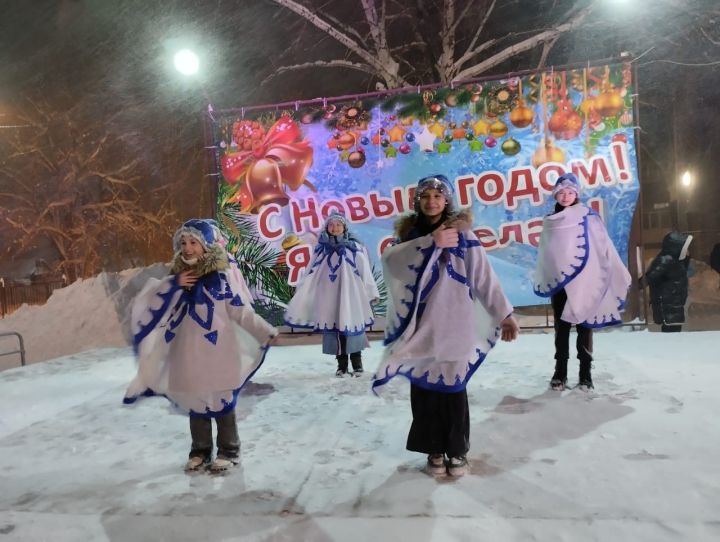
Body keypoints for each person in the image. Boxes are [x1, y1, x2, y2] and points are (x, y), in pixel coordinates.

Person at [372, 174, 519, 477]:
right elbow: (393, 264)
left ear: (447, 200)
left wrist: (504, 314)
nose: (431, 202)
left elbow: (483, 277)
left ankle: (457, 451)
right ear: (417, 201)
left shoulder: (464, 236)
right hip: (420, 325)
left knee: (453, 389)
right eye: (425, 197)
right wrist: (430, 243)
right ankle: (433, 449)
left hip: (454, 322)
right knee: (424, 388)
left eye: (437, 197)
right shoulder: (410, 235)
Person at [124, 219, 278, 473]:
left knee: (221, 401)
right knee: (196, 400)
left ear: (206, 246)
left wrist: (265, 331)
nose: (188, 248)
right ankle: (200, 450)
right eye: (183, 243)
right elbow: (150, 302)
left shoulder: (221, 279)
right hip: (188, 353)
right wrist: (175, 284)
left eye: (194, 242)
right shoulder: (176, 280)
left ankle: (229, 450)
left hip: (219, 353)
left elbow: (240, 312)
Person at [533, 173, 632, 391]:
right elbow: (546, 252)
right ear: (556, 194)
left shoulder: (589, 216)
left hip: (585, 281)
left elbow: (601, 245)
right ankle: (560, 373)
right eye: (561, 192)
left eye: (570, 192)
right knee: (562, 328)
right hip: (560, 284)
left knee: (584, 328)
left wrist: (606, 269)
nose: (566, 196)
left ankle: (585, 374)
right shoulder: (550, 220)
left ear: (576, 194)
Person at [285, 212, 379, 377]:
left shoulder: (354, 248)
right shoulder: (321, 249)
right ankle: (341, 366)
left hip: (351, 296)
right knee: (336, 329)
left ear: (344, 227)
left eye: (338, 225)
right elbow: (311, 272)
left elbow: (365, 271)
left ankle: (357, 365)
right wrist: (304, 288)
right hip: (330, 297)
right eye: (331, 225)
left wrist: (370, 291)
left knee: (353, 327)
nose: (335, 228)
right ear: (327, 228)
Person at [641, 231, 694, 333]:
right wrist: (636, 284)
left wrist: (687, 257)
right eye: (684, 247)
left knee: (674, 330)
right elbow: (651, 277)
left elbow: (680, 272)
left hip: (675, 302)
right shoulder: (665, 260)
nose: (687, 250)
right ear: (676, 247)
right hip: (668, 303)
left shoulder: (676, 260)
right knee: (670, 331)